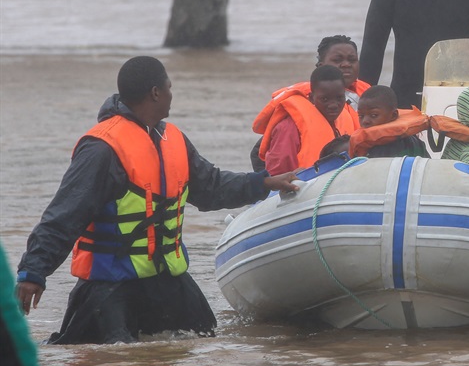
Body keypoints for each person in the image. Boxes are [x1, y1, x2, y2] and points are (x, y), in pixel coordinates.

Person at [15, 56, 299, 345]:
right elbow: (64, 214)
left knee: (203, 341)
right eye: (169, 87)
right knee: (106, 365)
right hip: (111, 285)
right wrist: (34, 271)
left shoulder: (173, 138)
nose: (171, 94)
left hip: (166, 279)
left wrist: (262, 183)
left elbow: (210, 186)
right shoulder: (101, 148)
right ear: (155, 93)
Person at [250, 35, 368, 168]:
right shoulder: (293, 120)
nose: (346, 64)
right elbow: (261, 157)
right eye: (337, 60)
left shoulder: (369, 98)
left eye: (352, 60)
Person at [260, 65, 347, 175]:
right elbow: (277, 174)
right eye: (325, 99)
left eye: (339, 98)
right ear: (311, 98)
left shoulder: (348, 118)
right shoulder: (288, 128)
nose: (334, 105)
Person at [348, 85, 429, 158]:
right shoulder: (364, 146)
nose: (365, 121)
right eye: (361, 116)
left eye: (374, 115)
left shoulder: (414, 143)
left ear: (393, 115)